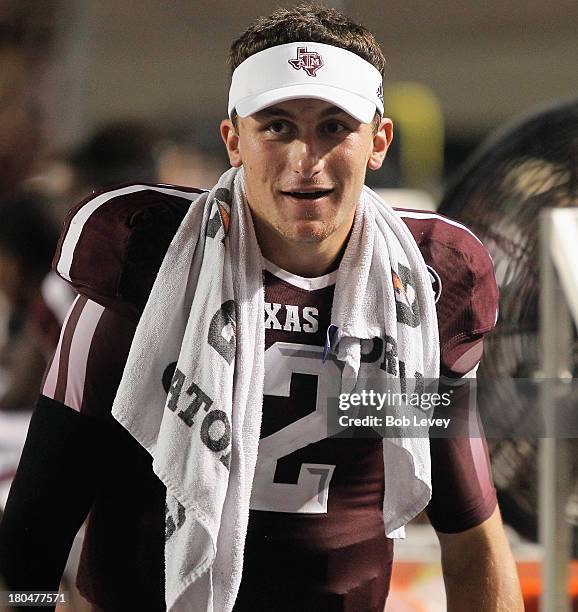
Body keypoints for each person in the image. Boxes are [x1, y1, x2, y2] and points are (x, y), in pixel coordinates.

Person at [0, 4, 523, 611]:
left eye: (334, 126)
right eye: (277, 126)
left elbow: (471, 538)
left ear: (378, 140)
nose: (306, 160)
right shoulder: (146, 262)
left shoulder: (428, 286)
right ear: (234, 139)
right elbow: (36, 525)